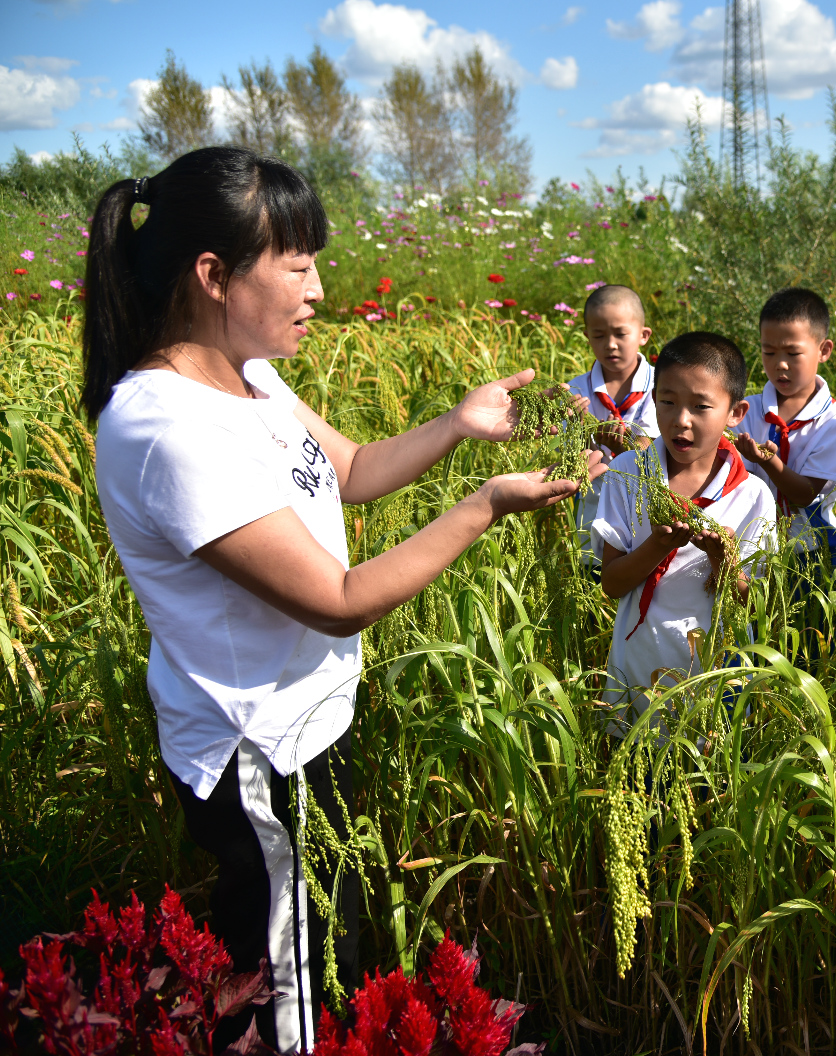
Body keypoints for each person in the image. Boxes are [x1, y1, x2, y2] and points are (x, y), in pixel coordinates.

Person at [85, 147, 592, 1054]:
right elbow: (340, 598)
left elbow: (351, 471)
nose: (319, 287)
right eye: (299, 263)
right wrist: (485, 505)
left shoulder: (250, 377)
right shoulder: (167, 427)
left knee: (325, 953)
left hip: (308, 729)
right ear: (213, 276)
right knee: (290, 992)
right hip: (257, 756)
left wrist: (459, 424)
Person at [593, 331, 777, 714]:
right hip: (638, 663)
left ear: (735, 413)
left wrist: (723, 560)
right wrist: (657, 546)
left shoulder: (753, 495)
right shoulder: (628, 473)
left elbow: (755, 605)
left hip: (715, 673)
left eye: (700, 406)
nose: (681, 420)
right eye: (668, 402)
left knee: (707, 767)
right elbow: (611, 584)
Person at [734, 288, 836, 638]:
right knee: (754, 634)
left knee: (815, 639)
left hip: (813, 550)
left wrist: (768, 462)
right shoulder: (747, 409)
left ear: (824, 350)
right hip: (752, 547)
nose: (779, 364)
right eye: (769, 352)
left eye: (792, 353)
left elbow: (805, 494)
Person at [566, 284, 659, 566]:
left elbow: (649, 447)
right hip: (593, 514)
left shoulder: (661, 385)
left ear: (643, 336)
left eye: (620, 334)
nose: (610, 344)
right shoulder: (576, 390)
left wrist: (624, 445)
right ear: (587, 337)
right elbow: (572, 459)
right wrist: (580, 431)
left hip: (646, 516)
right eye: (599, 335)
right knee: (593, 586)